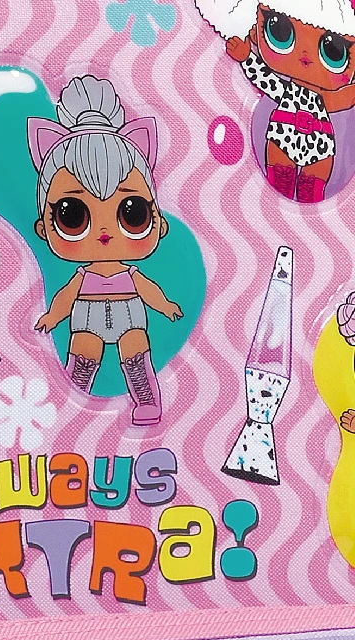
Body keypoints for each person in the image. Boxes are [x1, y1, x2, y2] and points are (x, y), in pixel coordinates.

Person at [28, 75, 181, 426]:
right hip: (87, 316)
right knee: (83, 353)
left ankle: (146, 401)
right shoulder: (82, 276)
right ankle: (72, 403)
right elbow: (66, 297)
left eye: (132, 213)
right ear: (44, 227)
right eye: (72, 215)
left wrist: (165, 305)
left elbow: (148, 290)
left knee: (136, 351)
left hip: (129, 313)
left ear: (157, 220)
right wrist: (54, 316)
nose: (104, 233)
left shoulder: (131, 274)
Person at [195, 0, 355, 203]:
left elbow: (344, 100)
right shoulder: (287, 90)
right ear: (254, 31)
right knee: (281, 175)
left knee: (312, 185)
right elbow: (267, 81)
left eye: (334, 52)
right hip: (282, 136)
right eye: (281, 32)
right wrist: (246, 58)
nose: (305, 56)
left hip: (320, 145)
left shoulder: (331, 99)